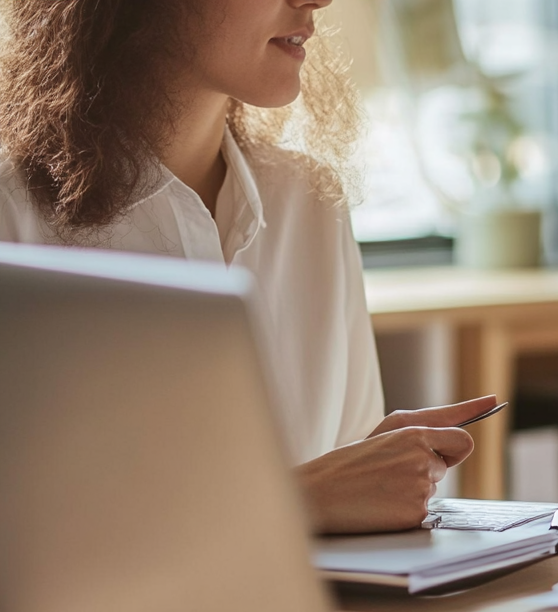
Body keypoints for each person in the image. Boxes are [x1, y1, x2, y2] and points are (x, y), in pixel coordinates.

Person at [0, 0, 491, 534]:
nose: (318, 1)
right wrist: (296, 500)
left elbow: (348, 534)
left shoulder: (311, 205)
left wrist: (375, 479)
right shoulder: (12, 217)